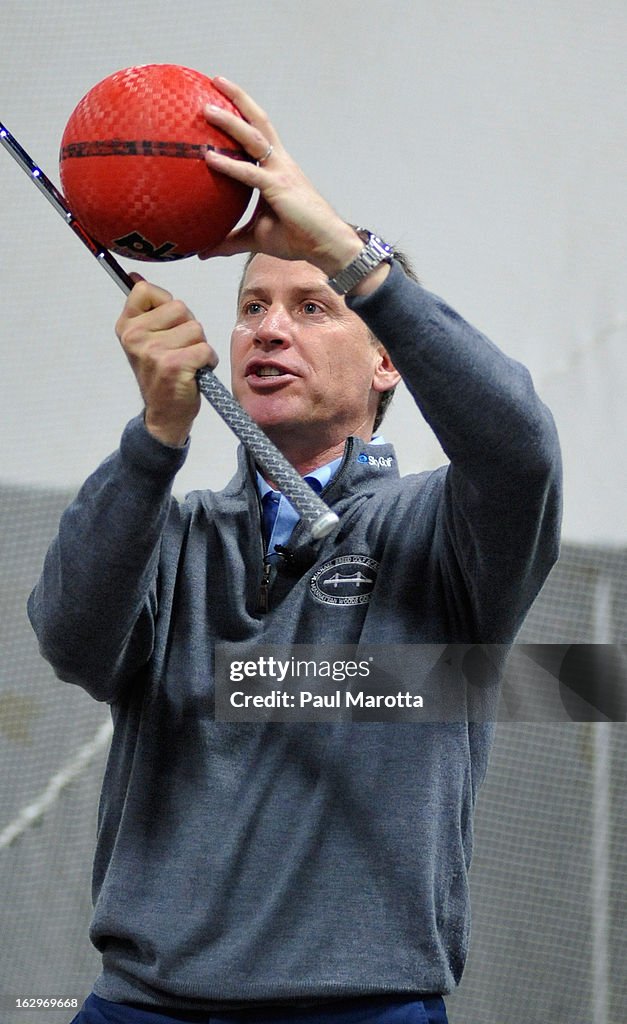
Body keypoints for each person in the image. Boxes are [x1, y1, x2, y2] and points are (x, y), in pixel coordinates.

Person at [28, 78, 562, 1024]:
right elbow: (70, 640)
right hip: (142, 1005)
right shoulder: (175, 525)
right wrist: (155, 438)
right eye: (251, 308)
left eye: (314, 307)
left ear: (386, 356)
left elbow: (518, 447)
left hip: (361, 1007)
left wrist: (352, 259)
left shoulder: (438, 534)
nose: (270, 328)